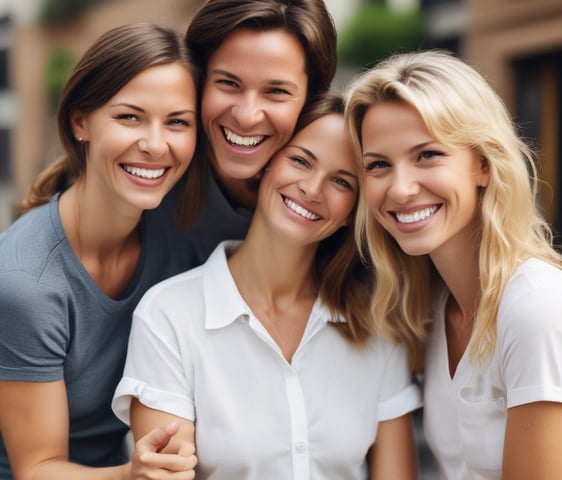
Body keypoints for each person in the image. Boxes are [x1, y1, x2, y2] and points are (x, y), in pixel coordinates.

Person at [112, 92, 422, 479]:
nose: (312, 188)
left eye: (341, 182)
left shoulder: (377, 326)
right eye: (300, 161)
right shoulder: (169, 315)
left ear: (353, 212)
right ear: (265, 167)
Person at [345, 49, 562, 479]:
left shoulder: (534, 306)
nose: (401, 189)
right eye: (378, 165)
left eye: (427, 155)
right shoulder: (433, 307)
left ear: (483, 164)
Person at [0, 23, 202, 480]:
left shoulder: (182, 231)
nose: (155, 144)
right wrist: (132, 473)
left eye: (177, 122)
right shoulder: (25, 283)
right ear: (80, 121)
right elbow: (37, 468)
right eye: (129, 117)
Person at [146, 0, 338, 270]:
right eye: (228, 83)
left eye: (277, 92)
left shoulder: (331, 201)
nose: (247, 116)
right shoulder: (147, 173)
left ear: (312, 98)